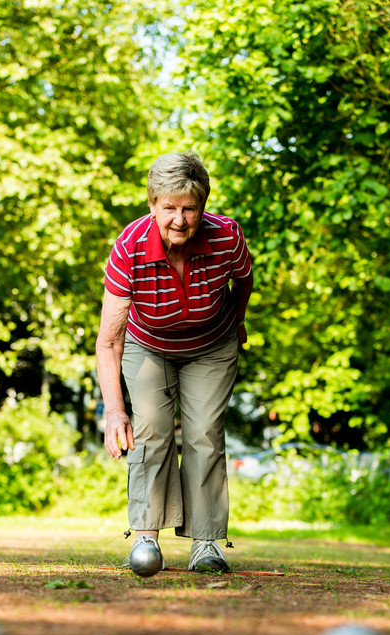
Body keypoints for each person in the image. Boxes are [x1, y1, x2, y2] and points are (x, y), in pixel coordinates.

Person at [95, 151, 253, 573]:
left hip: (212, 344)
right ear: (152, 205)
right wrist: (114, 411)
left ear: (203, 206)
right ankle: (146, 536)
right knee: (151, 429)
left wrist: (237, 320)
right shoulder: (129, 248)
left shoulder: (226, 237)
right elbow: (109, 341)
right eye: (169, 208)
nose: (179, 220)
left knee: (203, 431)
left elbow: (244, 278)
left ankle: (207, 544)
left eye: (189, 209)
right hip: (148, 347)